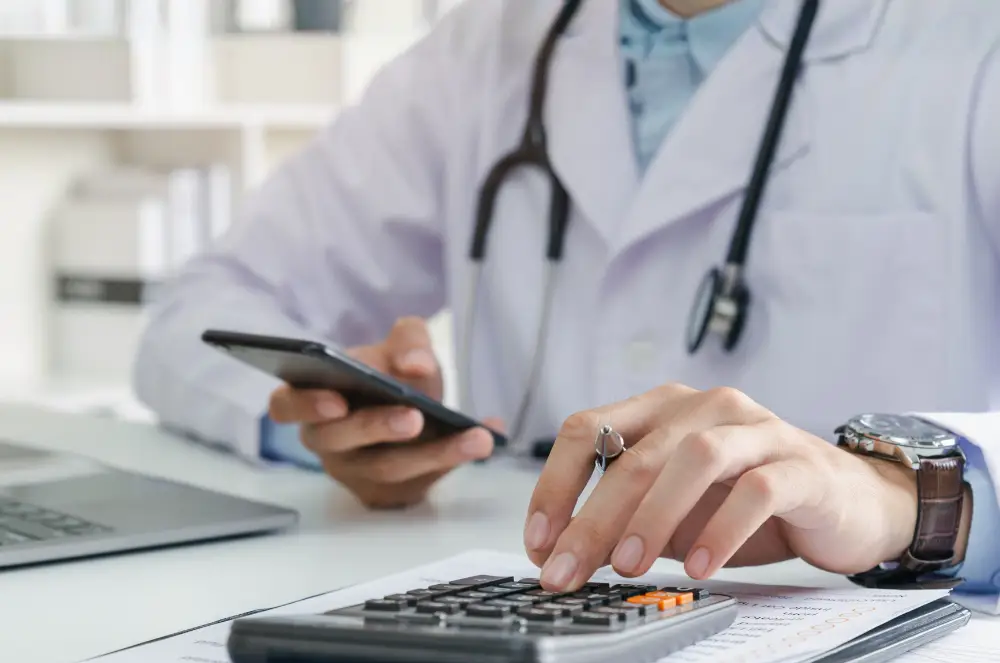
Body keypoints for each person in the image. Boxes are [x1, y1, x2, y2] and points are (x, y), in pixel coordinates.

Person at [134, 0, 1000, 599]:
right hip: (533, 600)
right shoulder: (490, 43)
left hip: (864, 646)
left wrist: (902, 500)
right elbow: (199, 311)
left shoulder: (970, 41)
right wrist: (326, 417)